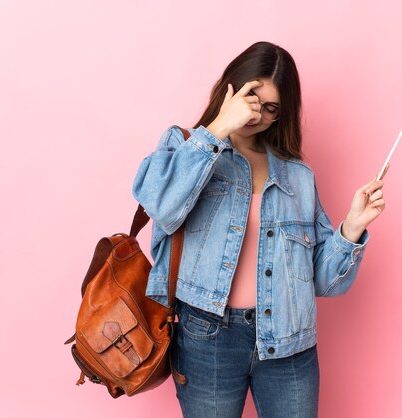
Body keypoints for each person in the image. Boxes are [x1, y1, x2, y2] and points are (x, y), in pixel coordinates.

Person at [132, 41, 386, 418]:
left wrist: (352, 228)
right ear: (231, 87)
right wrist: (219, 127)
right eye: (252, 98)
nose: (258, 115)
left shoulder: (297, 176)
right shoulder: (185, 144)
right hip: (207, 339)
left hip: (289, 343)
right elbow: (162, 205)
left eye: (271, 109)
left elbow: (323, 282)